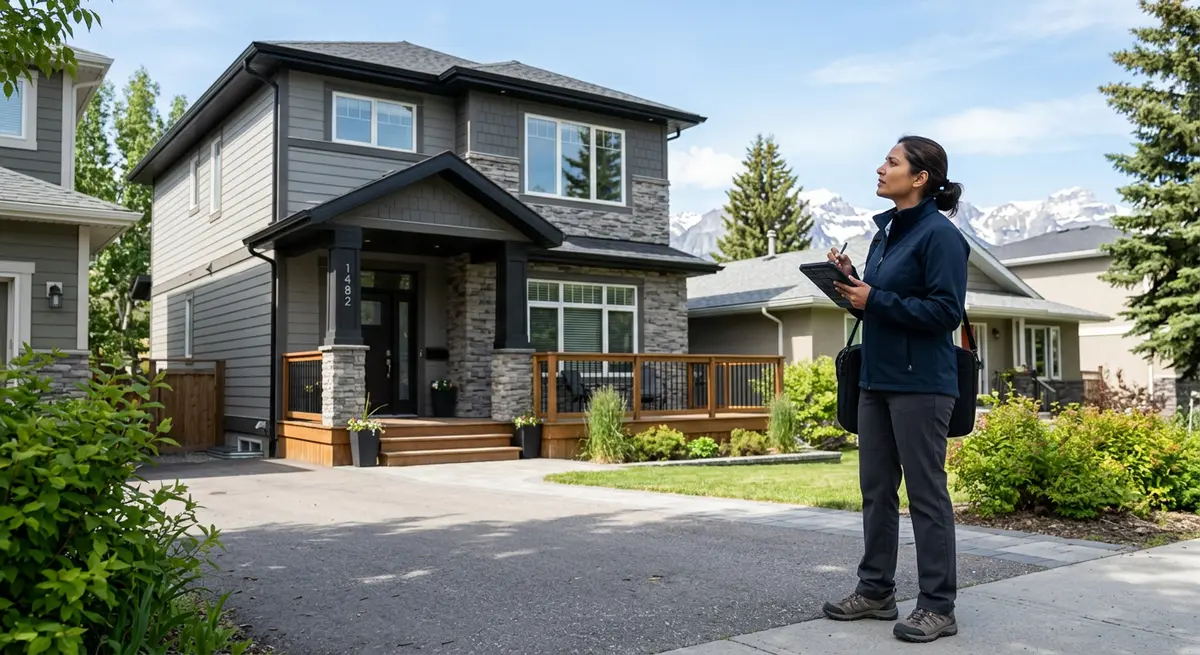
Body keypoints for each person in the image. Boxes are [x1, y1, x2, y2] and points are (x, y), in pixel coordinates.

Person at [821, 135, 970, 644]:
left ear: (920, 177)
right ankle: (875, 590)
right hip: (875, 380)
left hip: (922, 385)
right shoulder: (885, 236)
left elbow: (945, 313)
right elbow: (881, 302)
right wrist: (852, 283)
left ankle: (937, 606)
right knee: (876, 492)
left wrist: (875, 298)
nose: (881, 168)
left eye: (892, 161)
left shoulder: (940, 236)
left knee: (927, 496)